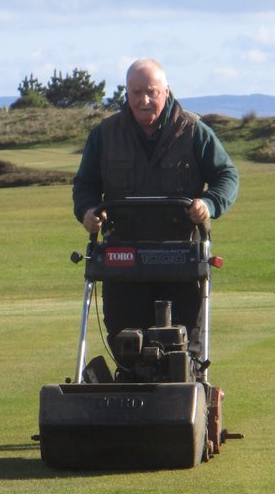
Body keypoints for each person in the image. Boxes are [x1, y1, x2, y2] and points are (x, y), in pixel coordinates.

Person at [72, 58, 239, 354]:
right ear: (127, 93)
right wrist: (87, 212)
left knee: (184, 348)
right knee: (126, 346)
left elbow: (226, 175)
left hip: (182, 257)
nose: (143, 100)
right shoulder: (105, 134)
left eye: (151, 92)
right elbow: (85, 184)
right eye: (136, 92)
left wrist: (208, 204)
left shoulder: (193, 131)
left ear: (166, 90)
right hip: (122, 258)